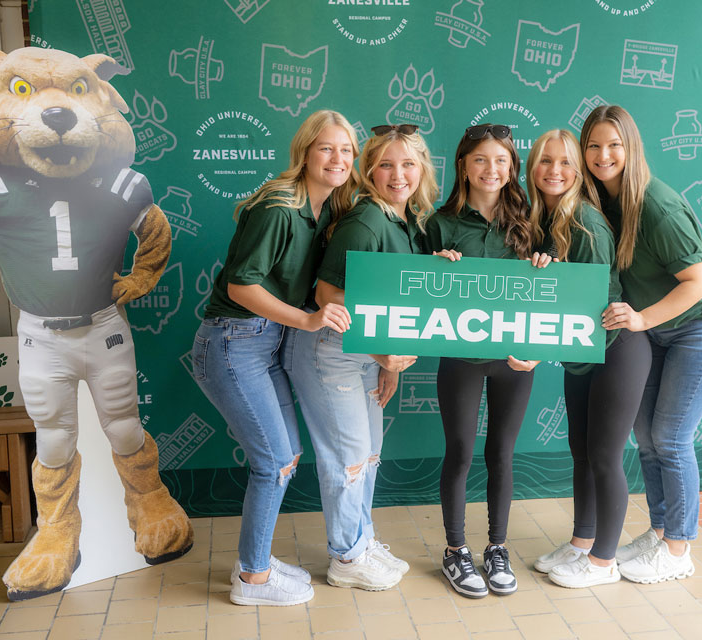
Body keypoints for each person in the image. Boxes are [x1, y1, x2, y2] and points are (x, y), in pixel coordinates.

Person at [191, 110, 359, 605]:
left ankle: (254, 563)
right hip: (234, 341)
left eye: (346, 150)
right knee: (273, 462)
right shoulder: (279, 207)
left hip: (265, 345)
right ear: (305, 151)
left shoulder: (327, 207)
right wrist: (308, 320)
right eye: (327, 148)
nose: (338, 158)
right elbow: (241, 286)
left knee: (285, 460)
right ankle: (252, 581)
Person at [580, 105, 702, 584]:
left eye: (614, 145)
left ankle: (678, 550)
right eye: (593, 145)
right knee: (646, 439)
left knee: (670, 438)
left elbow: (698, 282)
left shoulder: (657, 205)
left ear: (631, 148)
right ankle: (660, 531)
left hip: (701, 328)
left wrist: (643, 318)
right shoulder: (602, 202)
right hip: (657, 333)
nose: (603, 155)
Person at [282, 124, 437, 591]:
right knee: (347, 459)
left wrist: (385, 364)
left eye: (408, 163)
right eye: (385, 164)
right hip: (331, 352)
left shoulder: (403, 220)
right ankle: (346, 557)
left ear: (423, 169)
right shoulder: (365, 220)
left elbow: (387, 301)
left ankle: (361, 540)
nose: (398, 174)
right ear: (368, 171)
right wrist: (379, 354)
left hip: (364, 355)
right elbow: (329, 295)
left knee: (367, 455)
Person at [423, 124, 549, 598]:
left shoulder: (531, 221)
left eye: (500, 160)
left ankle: (497, 547)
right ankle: (455, 550)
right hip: (461, 357)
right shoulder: (440, 223)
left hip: (514, 360)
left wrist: (544, 262)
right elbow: (415, 295)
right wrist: (436, 265)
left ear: (512, 167)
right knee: (459, 450)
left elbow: (552, 294)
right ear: (462, 166)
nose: (490, 169)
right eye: (480, 159)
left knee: (501, 453)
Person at [527, 130, 652, 588]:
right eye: (544, 161)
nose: (553, 170)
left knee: (603, 455)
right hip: (580, 353)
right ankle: (583, 542)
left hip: (615, 347)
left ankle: (603, 562)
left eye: (564, 162)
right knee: (581, 452)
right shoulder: (544, 216)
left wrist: (554, 283)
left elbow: (590, 301)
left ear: (578, 170)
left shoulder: (585, 220)